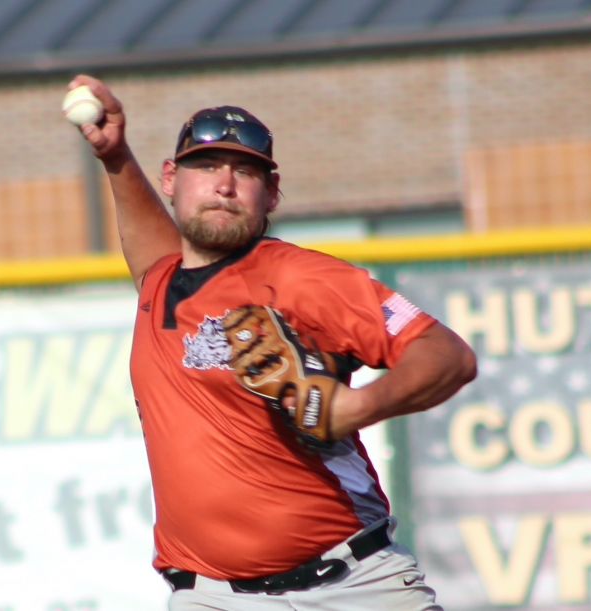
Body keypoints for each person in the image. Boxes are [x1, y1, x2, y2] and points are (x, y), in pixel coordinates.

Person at [67, 74, 477, 611]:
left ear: (272, 193)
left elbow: (448, 355)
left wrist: (358, 406)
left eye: (246, 172)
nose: (225, 184)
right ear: (171, 178)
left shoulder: (302, 279)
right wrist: (115, 155)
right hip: (209, 597)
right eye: (206, 166)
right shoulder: (161, 282)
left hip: (349, 587)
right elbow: (154, 246)